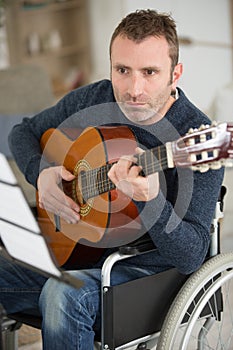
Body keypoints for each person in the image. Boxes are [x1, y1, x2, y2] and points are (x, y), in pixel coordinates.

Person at [0, 9, 224, 350]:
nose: (134, 89)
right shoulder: (95, 98)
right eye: (123, 70)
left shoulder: (194, 138)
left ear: (175, 74)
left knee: (64, 295)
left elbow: (192, 255)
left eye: (150, 72)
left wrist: (152, 201)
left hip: (145, 280)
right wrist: (41, 174)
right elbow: (23, 133)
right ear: (110, 69)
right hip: (75, 257)